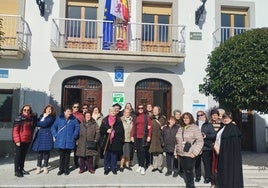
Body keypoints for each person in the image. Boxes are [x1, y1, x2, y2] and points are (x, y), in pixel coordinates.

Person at [214, 112, 243, 188]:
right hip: (222, 153)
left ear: (231, 118)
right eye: (224, 118)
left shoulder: (233, 128)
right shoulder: (223, 126)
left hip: (229, 155)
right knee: (223, 171)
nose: (226, 119)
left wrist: (221, 149)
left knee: (229, 172)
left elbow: (234, 144)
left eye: (228, 118)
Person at [174, 112, 204, 188]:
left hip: (190, 153)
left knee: (188, 170)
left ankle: (190, 186)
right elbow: (177, 141)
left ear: (190, 119)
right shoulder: (180, 128)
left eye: (187, 118)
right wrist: (175, 152)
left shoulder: (195, 128)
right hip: (181, 153)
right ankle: (189, 184)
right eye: (184, 118)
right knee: (185, 170)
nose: (185, 119)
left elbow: (200, 141)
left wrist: (194, 153)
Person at [51, 106, 80, 175]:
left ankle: (67, 169)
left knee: (67, 155)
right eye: (68, 111)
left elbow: (77, 127)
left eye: (70, 111)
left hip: (70, 139)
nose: (69, 113)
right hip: (61, 140)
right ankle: (61, 169)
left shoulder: (74, 119)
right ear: (64, 112)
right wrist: (56, 135)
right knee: (61, 155)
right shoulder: (59, 119)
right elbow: (53, 127)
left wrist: (74, 135)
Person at [12, 104, 37, 177]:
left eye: (28, 110)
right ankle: (16, 171)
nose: (26, 111)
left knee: (23, 156)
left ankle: (21, 169)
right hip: (20, 140)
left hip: (27, 140)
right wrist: (17, 141)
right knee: (18, 156)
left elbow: (34, 125)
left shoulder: (30, 119)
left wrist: (35, 116)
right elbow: (15, 130)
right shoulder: (18, 118)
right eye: (25, 110)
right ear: (22, 110)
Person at [32, 104, 56, 174]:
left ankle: (45, 166)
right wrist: (36, 120)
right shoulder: (41, 116)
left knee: (46, 152)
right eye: (48, 109)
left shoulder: (51, 118)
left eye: (50, 109)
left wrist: (36, 122)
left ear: (52, 111)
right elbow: (38, 122)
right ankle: (38, 167)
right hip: (40, 135)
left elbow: (44, 124)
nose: (49, 110)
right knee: (39, 152)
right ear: (45, 109)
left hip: (47, 135)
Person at [100, 107, 125, 175]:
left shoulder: (119, 120)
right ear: (109, 112)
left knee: (114, 156)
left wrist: (114, 131)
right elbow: (101, 129)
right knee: (107, 155)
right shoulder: (105, 120)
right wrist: (106, 130)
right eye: (111, 111)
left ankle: (114, 168)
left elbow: (121, 130)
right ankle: (106, 168)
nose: (113, 112)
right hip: (107, 140)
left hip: (115, 140)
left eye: (114, 111)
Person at [194, 111, 216, 184]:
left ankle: (207, 177)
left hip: (206, 146)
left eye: (201, 115)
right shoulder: (194, 124)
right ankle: (198, 176)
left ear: (205, 116)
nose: (199, 116)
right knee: (197, 163)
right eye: (198, 115)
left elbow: (213, 135)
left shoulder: (209, 125)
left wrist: (206, 136)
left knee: (207, 163)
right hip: (197, 146)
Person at [131, 104, 152, 175]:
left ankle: (143, 167)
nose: (140, 109)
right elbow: (133, 127)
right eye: (139, 108)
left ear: (144, 109)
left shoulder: (147, 116)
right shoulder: (135, 116)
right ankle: (140, 165)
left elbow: (150, 127)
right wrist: (132, 136)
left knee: (143, 151)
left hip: (144, 136)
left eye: (142, 108)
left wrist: (149, 136)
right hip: (137, 136)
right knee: (138, 151)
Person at [150, 106, 166, 173]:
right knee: (154, 152)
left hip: (160, 137)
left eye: (156, 110)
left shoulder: (163, 118)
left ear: (159, 111)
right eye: (153, 110)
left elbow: (166, 126)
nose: (154, 111)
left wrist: (164, 127)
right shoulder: (150, 118)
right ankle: (155, 166)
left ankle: (159, 167)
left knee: (160, 153)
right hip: (153, 137)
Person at [72, 102, 84, 168]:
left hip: (79, 134)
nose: (76, 108)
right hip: (70, 134)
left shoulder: (81, 115)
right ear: (72, 108)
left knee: (77, 149)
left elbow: (82, 125)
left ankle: (76, 162)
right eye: (74, 107)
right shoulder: (70, 114)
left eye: (77, 107)